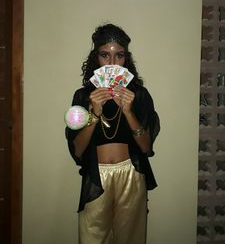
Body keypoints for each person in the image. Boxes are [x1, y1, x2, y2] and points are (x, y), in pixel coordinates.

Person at [65, 23, 160, 244]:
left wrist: (128, 111)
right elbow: (78, 151)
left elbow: (146, 147)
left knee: (131, 239)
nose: (111, 63)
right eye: (104, 55)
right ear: (95, 58)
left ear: (126, 59)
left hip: (131, 175)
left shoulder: (138, 95)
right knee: (92, 238)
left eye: (119, 56)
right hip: (96, 176)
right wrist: (94, 113)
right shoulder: (83, 97)